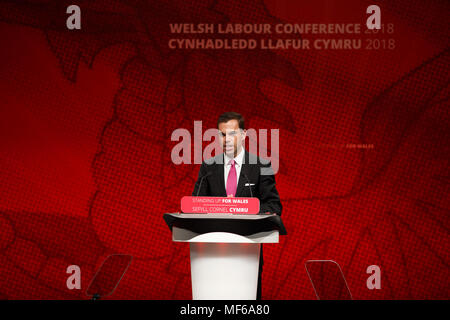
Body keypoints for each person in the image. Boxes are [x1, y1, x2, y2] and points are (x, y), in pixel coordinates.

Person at [192, 111, 282, 300]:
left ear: (244, 135)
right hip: (212, 254)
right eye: (223, 134)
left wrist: (244, 208)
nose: (227, 139)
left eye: (232, 134)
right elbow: (195, 205)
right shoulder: (208, 166)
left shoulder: (261, 165)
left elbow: (274, 206)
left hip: (248, 253)